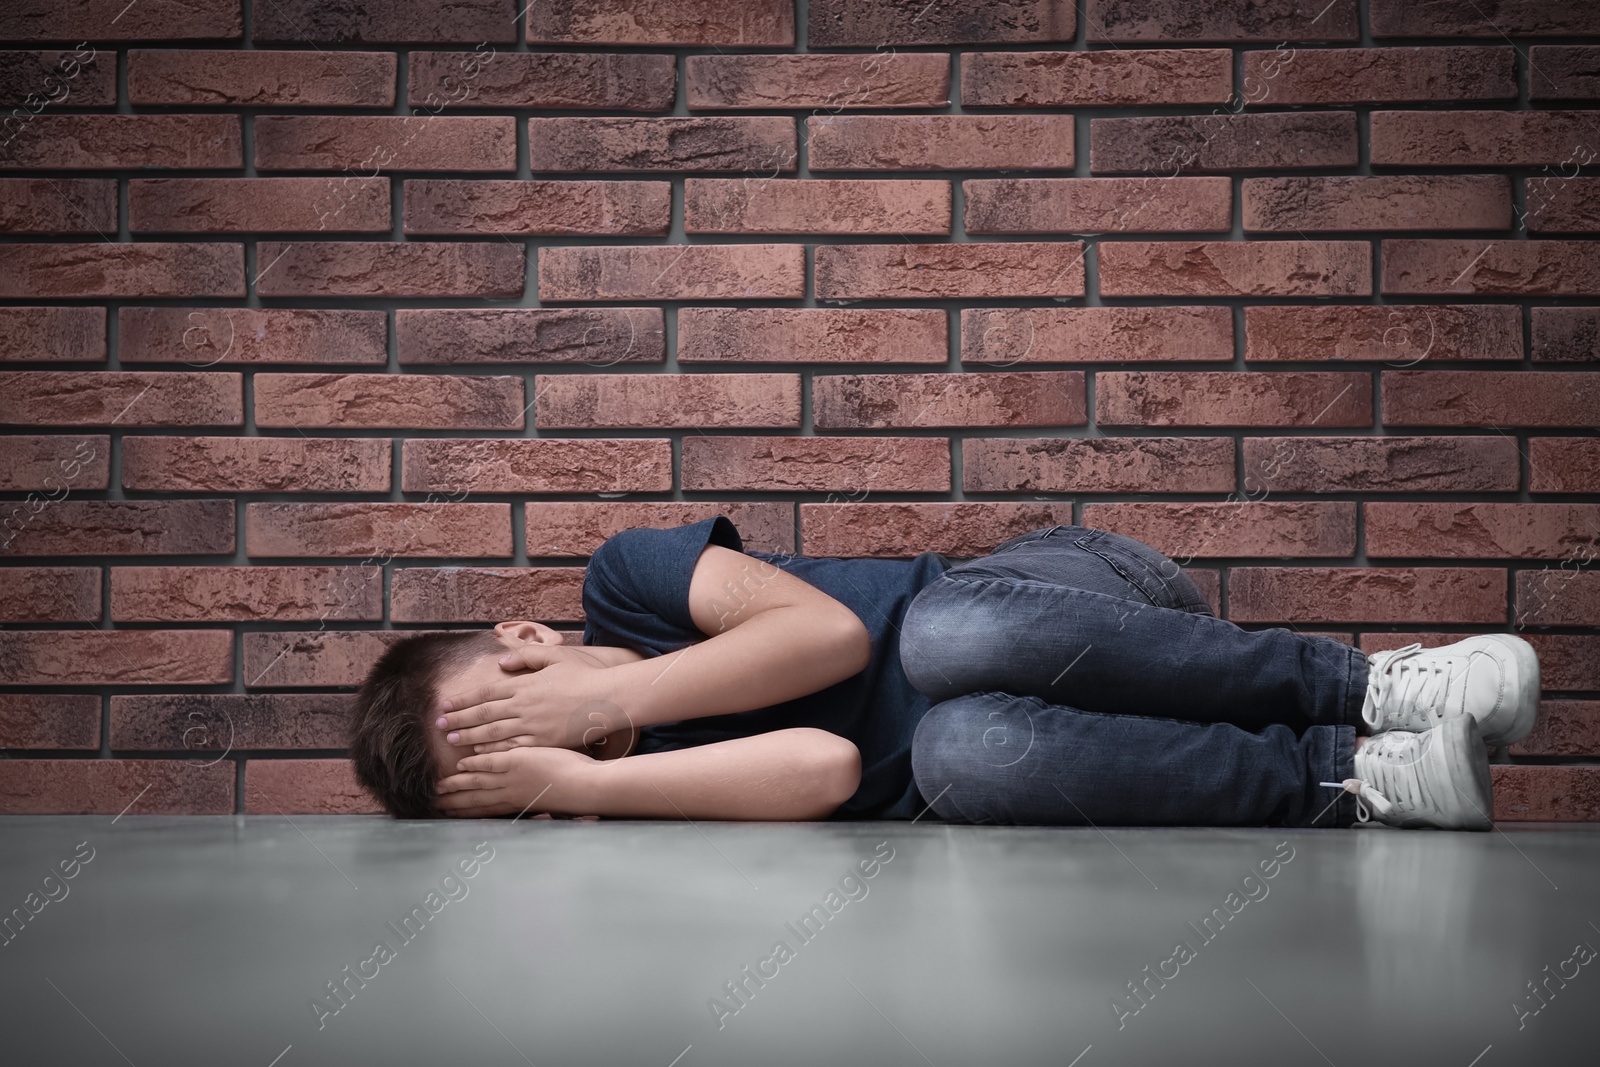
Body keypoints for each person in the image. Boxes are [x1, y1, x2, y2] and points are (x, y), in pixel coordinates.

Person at [349, 517, 1540, 831]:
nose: (543, 732)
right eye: (510, 759)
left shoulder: (624, 584)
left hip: (1070, 603)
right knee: (955, 757)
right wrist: (591, 779)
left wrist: (607, 695)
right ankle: (1359, 779)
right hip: (1034, 736)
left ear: (528, 640)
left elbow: (829, 645)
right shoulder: (626, 785)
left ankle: (1368, 685)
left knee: (940, 641)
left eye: (512, 702)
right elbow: (821, 769)